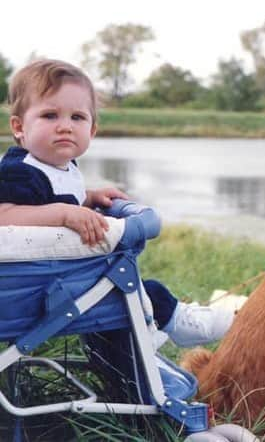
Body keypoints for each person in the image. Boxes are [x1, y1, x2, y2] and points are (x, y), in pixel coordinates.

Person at [0, 59, 232, 348]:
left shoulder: (60, 166)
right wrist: (63, 213)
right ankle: (178, 324)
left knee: (130, 287)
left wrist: (88, 197)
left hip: (52, 281)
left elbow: (52, 197)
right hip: (26, 293)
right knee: (135, 290)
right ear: (19, 127)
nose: (65, 127)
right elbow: (5, 215)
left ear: (92, 131)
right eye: (50, 115)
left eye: (77, 118)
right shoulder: (18, 171)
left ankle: (150, 334)